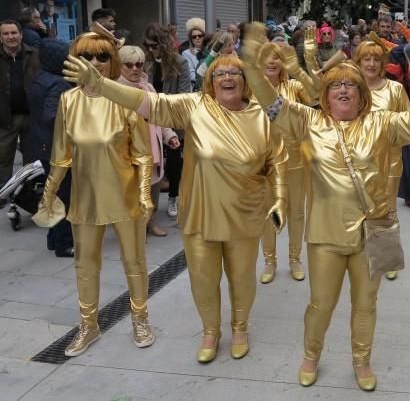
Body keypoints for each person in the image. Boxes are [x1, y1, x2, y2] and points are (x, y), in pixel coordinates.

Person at [240, 24, 410, 391]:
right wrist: (252, 65)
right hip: (325, 236)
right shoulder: (309, 121)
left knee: (366, 304)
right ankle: (311, 355)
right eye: (335, 85)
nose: (343, 89)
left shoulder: (381, 123)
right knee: (321, 304)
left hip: (371, 234)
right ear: (325, 95)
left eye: (350, 85)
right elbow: (270, 102)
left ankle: (361, 361)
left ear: (362, 95)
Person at [64, 50, 288, 363]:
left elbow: (276, 161)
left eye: (234, 73)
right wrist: (102, 85)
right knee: (203, 279)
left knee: (242, 277)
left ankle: (240, 328)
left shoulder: (261, 116)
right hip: (200, 214)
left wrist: (279, 199)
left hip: (246, 213)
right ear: (210, 80)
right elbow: (149, 105)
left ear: (245, 80)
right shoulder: (193, 106)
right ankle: (210, 331)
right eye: (220, 73)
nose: (227, 77)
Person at [39, 31, 154, 356]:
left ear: (112, 61)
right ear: (76, 61)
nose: (94, 64)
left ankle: (140, 319)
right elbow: (62, 154)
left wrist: (145, 194)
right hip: (86, 199)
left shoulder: (125, 98)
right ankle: (88, 326)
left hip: (125, 196)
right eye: (87, 56)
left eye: (102, 57)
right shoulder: (69, 101)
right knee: (85, 264)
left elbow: (143, 154)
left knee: (134, 261)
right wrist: (49, 193)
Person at [353, 39, 410, 281]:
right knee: (357, 209)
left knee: (387, 212)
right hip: (356, 161)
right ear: (359, 61)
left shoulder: (394, 90)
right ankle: (359, 254)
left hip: (389, 161)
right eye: (367, 59)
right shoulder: (351, 88)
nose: (372, 64)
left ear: (383, 63)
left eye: (376, 59)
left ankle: (387, 259)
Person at [257, 41, 318, 284]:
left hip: (294, 160)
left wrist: (301, 69)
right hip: (264, 163)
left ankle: (295, 259)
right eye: (267, 57)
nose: (272, 62)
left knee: (296, 212)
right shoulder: (250, 90)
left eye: (277, 57)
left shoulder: (293, 86)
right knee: (267, 213)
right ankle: (270, 261)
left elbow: (315, 96)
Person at [118, 45, 180, 238]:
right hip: (128, 150)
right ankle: (135, 227)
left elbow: (159, 116)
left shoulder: (148, 87)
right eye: (129, 64)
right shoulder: (114, 90)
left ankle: (151, 222)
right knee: (132, 190)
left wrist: (169, 135)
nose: (135, 68)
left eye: (139, 64)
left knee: (153, 187)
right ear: (120, 65)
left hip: (152, 148)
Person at [27, 38, 73, 257]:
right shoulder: (59, 83)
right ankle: (64, 243)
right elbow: (52, 116)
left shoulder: (40, 78)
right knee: (63, 194)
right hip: (57, 148)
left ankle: (54, 239)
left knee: (53, 192)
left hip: (41, 143)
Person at [143, 24, 192, 220]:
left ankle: (173, 196)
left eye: (153, 45)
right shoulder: (144, 62)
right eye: (147, 45)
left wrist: (166, 112)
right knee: (151, 161)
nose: (150, 49)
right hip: (149, 120)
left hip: (172, 118)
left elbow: (184, 94)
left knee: (173, 161)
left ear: (162, 44)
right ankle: (148, 204)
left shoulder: (180, 63)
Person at [0, 19, 39, 194]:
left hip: (32, 115)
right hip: (6, 117)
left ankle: (29, 193)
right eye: (6, 34)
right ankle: (3, 193)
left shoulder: (35, 55)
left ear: (21, 34)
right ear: (0, 38)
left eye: (14, 33)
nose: (10, 37)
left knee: (32, 158)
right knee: (2, 158)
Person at [180, 18, 207, 89]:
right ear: (191, 39)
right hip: (196, 88)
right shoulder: (186, 53)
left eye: (200, 36)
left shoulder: (208, 51)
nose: (197, 38)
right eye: (194, 37)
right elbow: (192, 75)